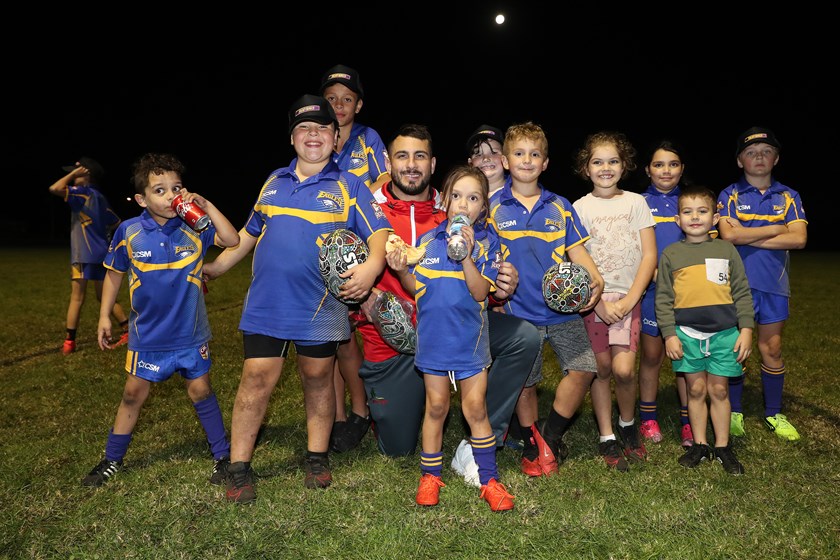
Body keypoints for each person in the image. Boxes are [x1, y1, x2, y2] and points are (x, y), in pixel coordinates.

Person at [203, 94, 391, 504]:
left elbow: (379, 231)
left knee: (318, 378)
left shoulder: (349, 184)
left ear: (335, 136)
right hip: (269, 303)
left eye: (323, 128)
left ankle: (317, 456)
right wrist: (216, 268)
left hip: (319, 305)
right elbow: (248, 233)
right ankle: (239, 467)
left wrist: (372, 266)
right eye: (304, 128)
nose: (313, 136)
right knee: (255, 379)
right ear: (292, 138)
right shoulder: (274, 181)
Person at [354, 124, 539, 490]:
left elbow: (484, 287)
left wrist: (505, 281)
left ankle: (479, 449)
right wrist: (368, 289)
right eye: (402, 156)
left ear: (432, 163)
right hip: (400, 339)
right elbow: (410, 278)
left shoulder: (461, 224)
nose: (411, 164)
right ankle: (426, 466)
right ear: (388, 162)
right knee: (399, 445)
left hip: (462, 330)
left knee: (523, 341)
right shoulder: (368, 207)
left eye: (419, 156)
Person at [81, 152, 240, 487]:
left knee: (201, 390)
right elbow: (113, 274)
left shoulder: (194, 227)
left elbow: (232, 240)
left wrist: (206, 205)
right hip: (148, 337)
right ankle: (112, 459)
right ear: (141, 198)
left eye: (176, 188)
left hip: (190, 334)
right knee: (132, 395)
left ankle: (223, 456)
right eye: (160, 190)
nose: (171, 196)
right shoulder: (129, 231)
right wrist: (104, 316)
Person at [388, 164, 513, 511]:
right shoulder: (428, 241)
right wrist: (400, 269)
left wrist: (468, 256)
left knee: (475, 409)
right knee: (437, 406)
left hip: (469, 342)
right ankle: (430, 476)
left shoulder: (488, 243)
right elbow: (418, 288)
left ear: (483, 207)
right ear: (444, 201)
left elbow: (479, 294)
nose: (463, 204)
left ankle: (489, 479)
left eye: (473, 198)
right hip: (434, 340)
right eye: (456, 196)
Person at [488, 122, 604, 478]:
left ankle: (549, 437)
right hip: (518, 313)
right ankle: (529, 442)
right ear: (506, 161)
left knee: (584, 368)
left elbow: (578, 251)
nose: (527, 160)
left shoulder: (560, 206)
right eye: (519, 153)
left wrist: (594, 278)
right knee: (526, 382)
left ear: (546, 162)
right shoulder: (493, 207)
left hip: (562, 310)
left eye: (534, 154)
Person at [572, 131, 657, 471]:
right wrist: (597, 304)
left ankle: (627, 424)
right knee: (602, 368)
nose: (605, 168)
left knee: (624, 370)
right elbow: (576, 259)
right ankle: (607, 435)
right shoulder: (578, 207)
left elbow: (649, 256)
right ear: (586, 167)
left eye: (613, 161)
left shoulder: (636, 203)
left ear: (624, 165)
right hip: (594, 303)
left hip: (628, 298)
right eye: (597, 161)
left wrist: (631, 299)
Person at [717, 126, 807, 441]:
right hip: (736, 287)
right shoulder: (729, 194)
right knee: (736, 350)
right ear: (740, 160)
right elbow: (730, 235)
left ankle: (773, 413)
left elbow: (798, 239)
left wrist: (749, 233)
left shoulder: (788, 196)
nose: (759, 157)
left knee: (772, 348)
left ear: (776, 158)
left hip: (774, 285)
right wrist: (774, 230)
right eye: (751, 152)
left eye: (766, 152)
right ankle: (736, 411)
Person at [656, 185, 753, 474]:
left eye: (702, 211)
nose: (695, 217)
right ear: (678, 220)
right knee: (696, 389)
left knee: (719, 390)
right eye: (687, 211)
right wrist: (669, 334)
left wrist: (746, 329)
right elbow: (663, 298)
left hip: (725, 334)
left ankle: (722, 446)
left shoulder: (726, 249)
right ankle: (699, 444)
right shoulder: (671, 254)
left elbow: (742, 293)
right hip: (687, 334)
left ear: (714, 218)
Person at [319, 64, 391, 453]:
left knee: (356, 338)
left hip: (363, 249)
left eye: (347, 99)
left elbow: (382, 182)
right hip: (324, 254)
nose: (339, 105)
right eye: (331, 99)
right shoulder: (317, 142)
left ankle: (363, 411)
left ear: (358, 104)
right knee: (329, 339)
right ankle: (336, 417)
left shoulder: (368, 139)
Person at [638, 140, 694, 448]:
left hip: (687, 296)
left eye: (673, 164)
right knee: (651, 356)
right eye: (658, 164)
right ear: (648, 170)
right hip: (651, 293)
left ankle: (688, 422)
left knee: (686, 357)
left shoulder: (691, 202)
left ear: (682, 169)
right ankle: (648, 418)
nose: (666, 170)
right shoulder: (637, 203)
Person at [48, 157, 130, 355]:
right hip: (101, 254)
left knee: (77, 298)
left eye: (76, 174)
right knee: (104, 297)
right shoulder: (100, 197)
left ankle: (69, 342)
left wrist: (73, 175)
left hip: (83, 254)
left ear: (86, 174)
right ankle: (127, 330)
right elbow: (116, 221)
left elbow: (55, 188)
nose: (73, 177)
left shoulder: (82, 193)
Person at [466, 124, 507, 197]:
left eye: (493, 153)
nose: (486, 159)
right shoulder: (462, 196)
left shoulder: (521, 191)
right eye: (478, 155)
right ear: (470, 163)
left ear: (506, 159)